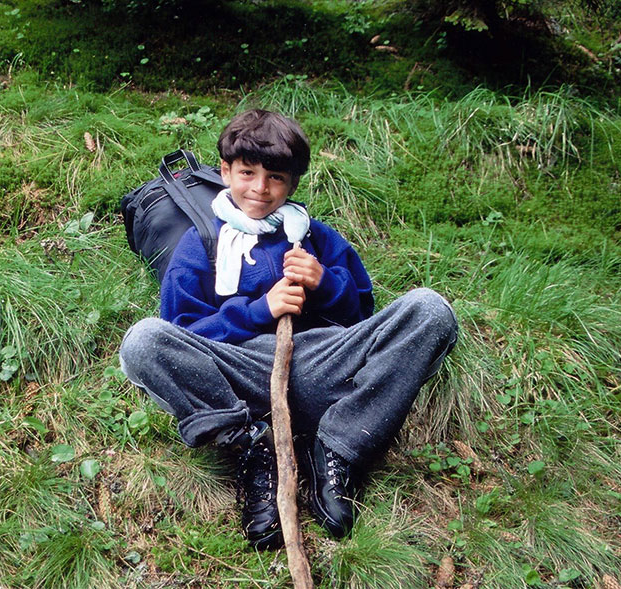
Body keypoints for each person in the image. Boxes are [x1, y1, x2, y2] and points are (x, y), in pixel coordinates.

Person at [120, 109, 458, 550]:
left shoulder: (314, 237)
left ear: (293, 183)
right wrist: (259, 310)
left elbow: (360, 319)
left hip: (324, 366)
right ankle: (251, 450)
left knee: (430, 310)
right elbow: (185, 330)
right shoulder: (200, 243)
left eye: (275, 177)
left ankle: (339, 449)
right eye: (246, 173)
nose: (260, 188)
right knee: (142, 340)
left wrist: (324, 283)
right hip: (240, 379)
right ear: (225, 172)